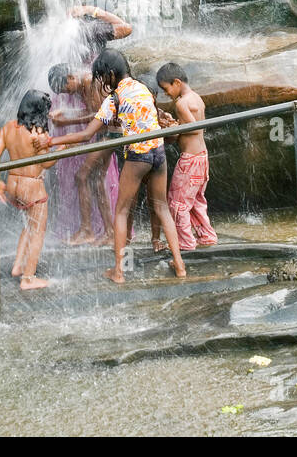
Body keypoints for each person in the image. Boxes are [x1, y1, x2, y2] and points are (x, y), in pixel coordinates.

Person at [52, 49, 186, 283]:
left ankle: (118, 272)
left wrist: (53, 140)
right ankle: (180, 265)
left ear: (112, 74)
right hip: (159, 152)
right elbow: (151, 116)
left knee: (121, 212)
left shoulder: (114, 98)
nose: (103, 83)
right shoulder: (143, 87)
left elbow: (85, 135)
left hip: (139, 156)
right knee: (162, 208)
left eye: (104, 78)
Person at [0, 90, 57, 290]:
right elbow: (47, 164)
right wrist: (61, 150)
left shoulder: (8, 127)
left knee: (28, 226)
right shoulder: (38, 133)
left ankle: (18, 266)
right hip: (32, 187)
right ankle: (28, 278)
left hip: (12, 184)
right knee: (38, 231)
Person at [48, 64, 118, 246]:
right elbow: (91, 111)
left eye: (66, 89)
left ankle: (88, 230)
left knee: (82, 176)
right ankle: (109, 232)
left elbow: (99, 115)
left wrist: (66, 122)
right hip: (105, 133)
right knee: (95, 180)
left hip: (109, 134)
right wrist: (65, 112)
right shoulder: (81, 83)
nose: (68, 94)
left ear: (71, 77)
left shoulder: (88, 80)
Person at [156, 62, 216, 251]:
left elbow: (194, 128)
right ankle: (206, 236)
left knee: (177, 202)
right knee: (197, 201)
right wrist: (176, 124)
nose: (166, 94)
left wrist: (172, 128)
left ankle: (185, 242)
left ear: (176, 82)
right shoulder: (196, 98)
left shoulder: (181, 103)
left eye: (166, 89)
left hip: (189, 161)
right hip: (202, 158)